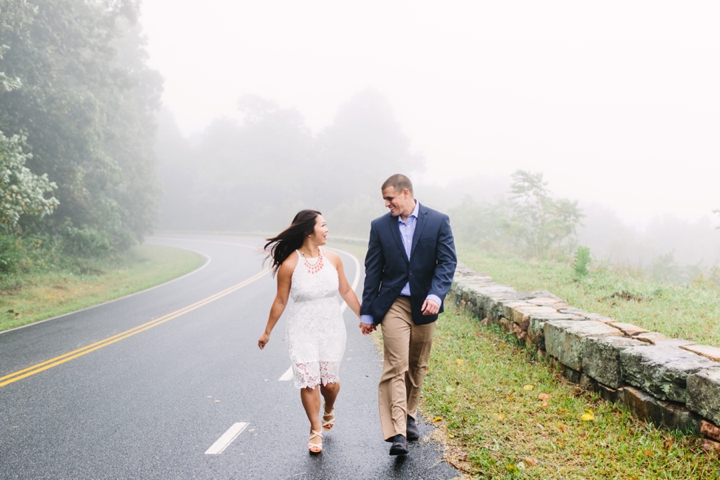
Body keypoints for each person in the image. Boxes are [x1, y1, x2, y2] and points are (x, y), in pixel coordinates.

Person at [359, 174, 457, 456]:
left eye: (390, 198)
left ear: (405, 193)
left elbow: (447, 262)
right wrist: (368, 312)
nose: (387, 204)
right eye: (385, 200)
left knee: (417, 364)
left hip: (426, 303)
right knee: (395, 364)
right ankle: (398, 431)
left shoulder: (438, 221)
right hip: (393, 304)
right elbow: (373, 270)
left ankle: (411, 414)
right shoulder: (379, 226)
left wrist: (436, 294)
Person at [259, 210, 361, 454]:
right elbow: (281, 300)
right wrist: (267, 331)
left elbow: (346, 291)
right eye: (323, 225)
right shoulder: (290, 264)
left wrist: (364, 317)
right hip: (301, 328)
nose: (327, 230)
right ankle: (315, 429)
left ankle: (329, 407)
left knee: (329, 384)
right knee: (309, 380)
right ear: (308, 231)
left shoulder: (334, 259)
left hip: (330, 327)